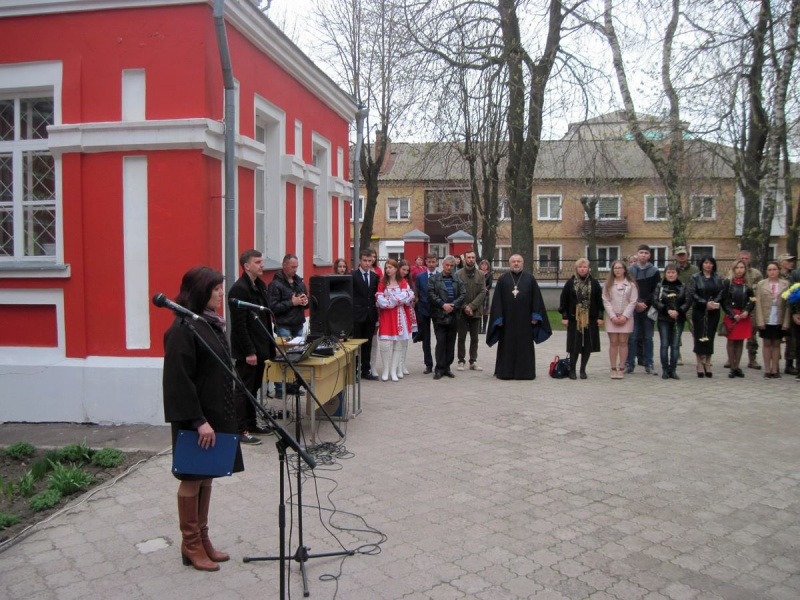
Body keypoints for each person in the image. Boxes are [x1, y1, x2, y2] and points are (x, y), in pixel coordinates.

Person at [162, 266, 243, 572]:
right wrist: (198, 421)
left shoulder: (207, 323)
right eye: (216, 289)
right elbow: (178, 381)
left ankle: (203, 538)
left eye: (221, 287)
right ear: (201, 292)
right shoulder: (182, 329)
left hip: (214, 414)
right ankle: (191, 544)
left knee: (206, 475)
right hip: (195, 420)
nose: (222, 293)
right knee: (191, 478)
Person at [228, 250, 275, 445]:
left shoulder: (260, 285)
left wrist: (269, 345)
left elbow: (264, 318)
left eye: (262, 261)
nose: (262, 265)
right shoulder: (239, 290)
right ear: (247, 266)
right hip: (248, 351)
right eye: (257, 262)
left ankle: (252, 423)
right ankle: (240, 429)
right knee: (243, 390)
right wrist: (249, 351)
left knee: (254, 388)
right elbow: (239, 325)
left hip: (261, 346)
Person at [486, 253, 552, 380]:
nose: (516, 263)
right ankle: (505, 372)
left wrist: (535, 316)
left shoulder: (530, 279)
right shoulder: (503, 279)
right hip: (507, 321)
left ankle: (525, 373)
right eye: (513, 261)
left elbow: (536, 298)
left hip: (525, 320)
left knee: (524, 346)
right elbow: (497, 300)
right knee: (507, 345)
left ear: (523, 263)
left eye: (518, 261)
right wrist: (499, 318)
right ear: (509, 263)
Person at [268, 254, 308, 398]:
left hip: (298, 324)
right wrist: (292, 303)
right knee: (283, 357)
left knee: (296, 356)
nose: (295, 269)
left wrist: (305, 301)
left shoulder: (299, 282)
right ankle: (280, 388)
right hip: (284, 325)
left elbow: (306, 301)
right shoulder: (275, 284)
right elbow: (272, 307)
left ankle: (292, 386)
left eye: (296, 267)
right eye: (292, 267)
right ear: (284, 265)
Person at [559, 258, 603, 380]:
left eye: (585, 267)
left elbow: (599, 302)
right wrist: (564, 317)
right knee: (574, 345)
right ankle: (572, 370)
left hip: (590, 319)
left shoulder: (594, 283)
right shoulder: (570, 283)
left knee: (588, 344)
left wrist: (600, 317)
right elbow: (564, 300)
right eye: (580, 267)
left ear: (588, 268)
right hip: (574, 319)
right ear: (576, 269)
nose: (582, 269)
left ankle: (583, 369)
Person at [375, 259, 415, 381]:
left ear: (396, 269)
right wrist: (394, 301)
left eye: (390, 267)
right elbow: (380, 300)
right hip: (387, 315)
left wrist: (390, 298)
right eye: (386, 267)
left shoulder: (402, 282)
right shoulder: (382, 283)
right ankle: (386, 370)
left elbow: (407, 297)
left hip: (399, 315)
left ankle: (393, 370)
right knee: (385, 343)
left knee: (398, 343)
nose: (388, 270)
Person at [428, 255, 466, 379]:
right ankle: (439, 368)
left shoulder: (458, 279)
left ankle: (447, 367)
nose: (449, 268)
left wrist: (453, 305)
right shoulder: (434, 279)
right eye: (447, 265)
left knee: (451, 342)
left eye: (451, 266)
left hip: (454, 314)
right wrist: (442, 304)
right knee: (441, 342)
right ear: (443, 265)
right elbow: (431, 294)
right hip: (439, 315)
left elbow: (463, 294)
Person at [625, 245, 661, 375]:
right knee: (632, 337)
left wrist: (645, 303)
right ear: (637, 254)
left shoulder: (654, 271)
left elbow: (656, 290)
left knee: (648, 338)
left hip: (648, 308)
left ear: (649, 255)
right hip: (633, 308)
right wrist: (636, 303)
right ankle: (629, 364)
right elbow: (627, 289)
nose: (643, 255)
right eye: (641, 252)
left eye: (646, 253)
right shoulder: (630, 271)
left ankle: (649, 363)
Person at [652, 263, 690, 379]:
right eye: (668, 272)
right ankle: (665, 369)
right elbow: (655, 300)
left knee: (675, 345)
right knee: (664, 344)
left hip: (678, 318)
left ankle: (673, 369)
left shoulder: (683, 286)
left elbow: (688, 301)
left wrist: (678, 311)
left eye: (673, 272)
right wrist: (667, 310)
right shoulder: (660, 286)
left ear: (677, 274)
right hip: (664, 318)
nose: (671, 275)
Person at [689, 255, 725, 378]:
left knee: (710, 336)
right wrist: (705, 303)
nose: (708, 265)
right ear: (702, 264)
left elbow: (721, 292)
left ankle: (708, 362)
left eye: (710, 263)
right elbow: (693, 292)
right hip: (699, 310)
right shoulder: (695, 277)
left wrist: (713, 303)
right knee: (699, 336)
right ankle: (699, 363)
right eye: (706, 263)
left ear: (713, 264)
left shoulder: (718, 277)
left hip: (713, 311)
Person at [755, 262, 791, 378]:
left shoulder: (785, 284)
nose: (772, 272)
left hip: (778, 317)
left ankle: (775, 369)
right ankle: (767, 369)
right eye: (769, 270)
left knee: (776, 344)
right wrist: (760, 321)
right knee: (766, 343)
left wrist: (786, 322)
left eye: (774, 269)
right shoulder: (761, 284)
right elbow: (758, 304)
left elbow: (788, 305)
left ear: (778, 270)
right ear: (767, 272)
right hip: (766, 317)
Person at [602, 260, 638, 379]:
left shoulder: (631, 285)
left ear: (624, 270)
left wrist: (624, 316)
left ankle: (622, 368)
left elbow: (633, 301)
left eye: (619, 268)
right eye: (615, 268)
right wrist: (613, 316)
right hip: (612, 317)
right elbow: (606, 301)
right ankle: (613, 368)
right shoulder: (608, 284)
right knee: (613, 342)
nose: (617, 270)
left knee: (623, 342)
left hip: (626, 318)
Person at [720, 259, 755, 378]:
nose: (740, 270)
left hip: (743, 316)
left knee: (740, 341)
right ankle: (732, 367)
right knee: (731, 341)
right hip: (732, 315)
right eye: (737, 268)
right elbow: (724, 301)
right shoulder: (728, 283)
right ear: (733, 269)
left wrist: (747, 311)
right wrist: (732, 314)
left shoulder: (747, 284)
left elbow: (753, 299)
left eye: (742, 267)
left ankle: (737, 366)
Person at [455, 250, 487, 372]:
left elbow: (483, 292)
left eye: (473, 257)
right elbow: (456, 292)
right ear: (464, 259)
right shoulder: (458, 274)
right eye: (469, 257)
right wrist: (465, 307)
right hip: (462, 312)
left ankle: (473, 361)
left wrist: (472, 307)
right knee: (461, 337)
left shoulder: (481, 274)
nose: (471, 259)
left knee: (475, 338)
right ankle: (461, 360)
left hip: (476, 311)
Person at [352, 249, 380, 380]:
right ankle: (354, 370)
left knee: (368, 344)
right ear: (360, 261)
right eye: (365, 261)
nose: (367, 263)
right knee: (356, 343)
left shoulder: (375, 277)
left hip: (370, 315)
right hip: (357, 315)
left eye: (370, 261)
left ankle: (365, 370)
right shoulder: (353, 276)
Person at [737, 250, 763, 370]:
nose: (744, 260)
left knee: (752, 334)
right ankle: (732, 359)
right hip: (737, 307)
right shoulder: (733, 272)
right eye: (742, 258)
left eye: (746, 258)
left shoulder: (756, 274)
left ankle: (752, 358)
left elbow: (759, 291)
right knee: (734, 333)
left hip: (751, 308)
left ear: (750, 259)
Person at [414, 253, 439, 374]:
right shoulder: (420, 277)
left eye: (433, 262)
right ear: (426, 262)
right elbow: (417, 294)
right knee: (426, 338)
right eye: (429, 262)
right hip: (424, 310)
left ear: (437, 262)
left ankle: (440, 363)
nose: (431, 264)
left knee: (440, 337)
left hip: (438, 310)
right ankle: (428, 364)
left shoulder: (441, 276)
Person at [674, 247, 698, 366]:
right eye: (679, 255)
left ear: (688, 255)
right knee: (676, 330)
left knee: (696, 329)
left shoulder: (695, 270)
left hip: (692, 304)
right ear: (675, 257)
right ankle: (677, 355)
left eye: (683, 254)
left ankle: (700, 354)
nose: (682, 257)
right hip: (677, 304)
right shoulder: (672, 269)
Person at [777, 254, 798, 374]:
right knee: (775, 338)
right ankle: (774, 362)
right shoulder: (775, 274)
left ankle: (789, 363)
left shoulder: (793, 276)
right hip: (778, 310)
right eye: (788, 261)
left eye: (792, 261)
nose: (791, 263)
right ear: (782, 262)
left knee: (791, 338)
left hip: (790, 311)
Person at [397, 259, 417, 374]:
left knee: (405, 340)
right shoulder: (395, 281)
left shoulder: (408, 281)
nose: (405, 272)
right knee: (399, 341)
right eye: (403, 269)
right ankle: (397, 365)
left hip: (408, 311)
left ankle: (402, 364)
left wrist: (412, 298)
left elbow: (411, 296)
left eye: (407, 270)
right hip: (399, 312)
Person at [479, 259, 492, 334]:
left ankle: (484, 328)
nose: (484, 266)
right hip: (478, 294)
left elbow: (490, 284)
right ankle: (479, 328)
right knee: (479, 310)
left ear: (488, 266)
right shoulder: (478, 273)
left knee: (485, 310)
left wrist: (486, 289)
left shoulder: (489, 274)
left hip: (486, 294)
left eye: (485, 265)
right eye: (482, 264)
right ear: (480, 265)